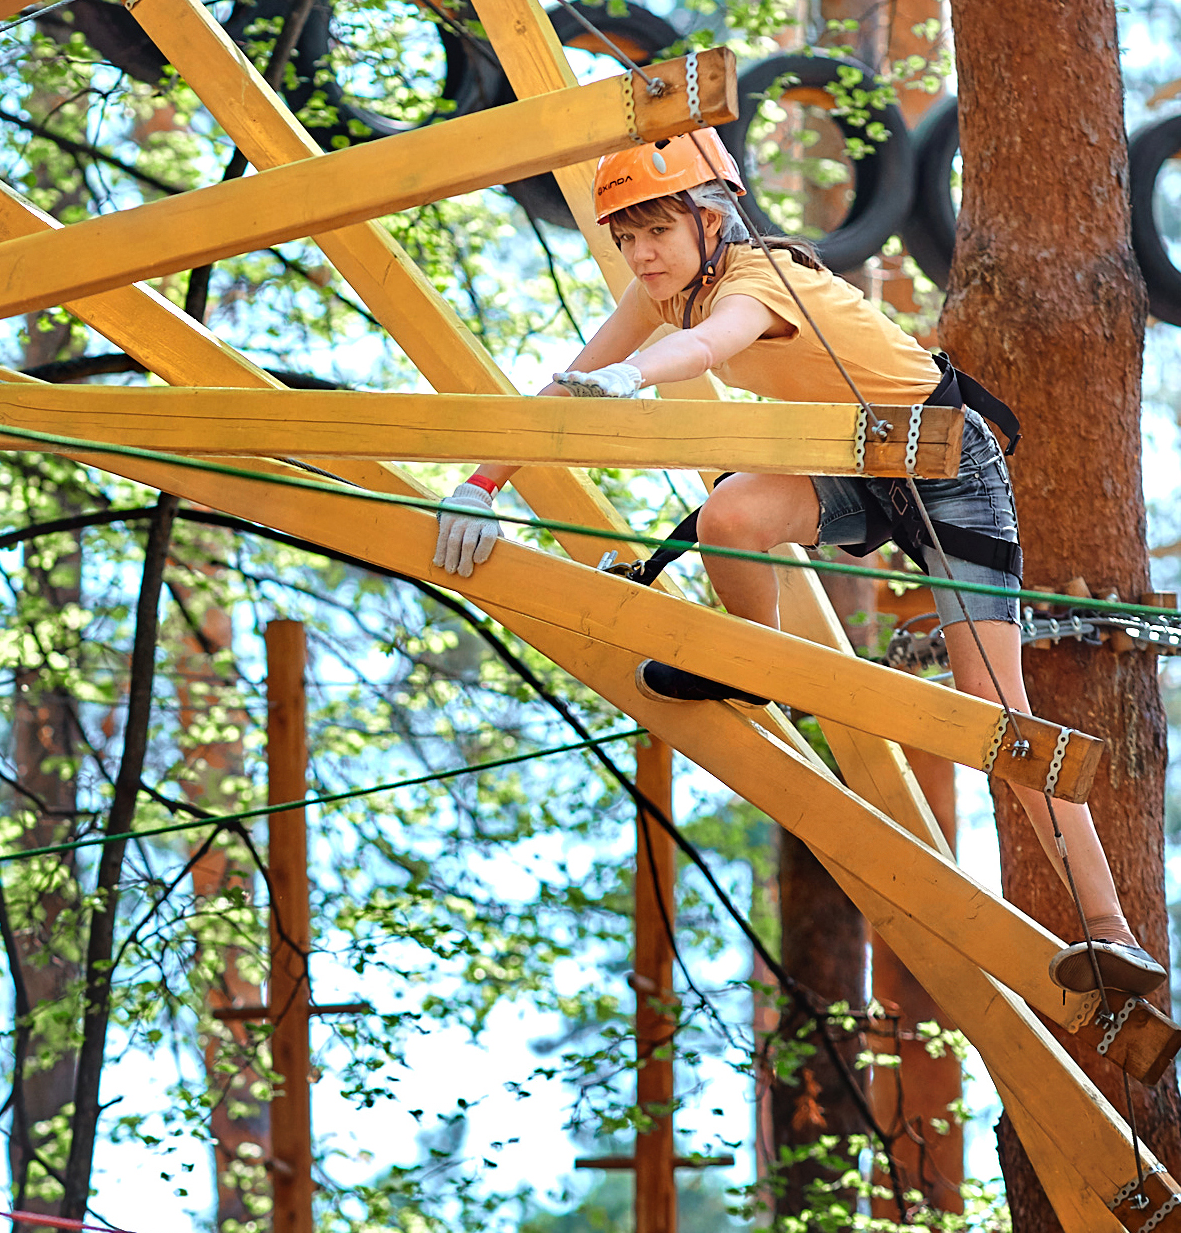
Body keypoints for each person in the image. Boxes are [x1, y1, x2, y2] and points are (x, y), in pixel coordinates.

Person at [432, 128, 1163, 998]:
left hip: (942, 462)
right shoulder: (660, 293)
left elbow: (712, 344)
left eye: (655, 232)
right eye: (625, 237)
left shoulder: (755, 280)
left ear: (712, 218)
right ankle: (754, 668)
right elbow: (563, 382)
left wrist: (638, 376)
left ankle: (1112, 935)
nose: (639, 254)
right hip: (847, 459)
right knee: (730, 513)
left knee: (994, 710)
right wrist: (478, 484)